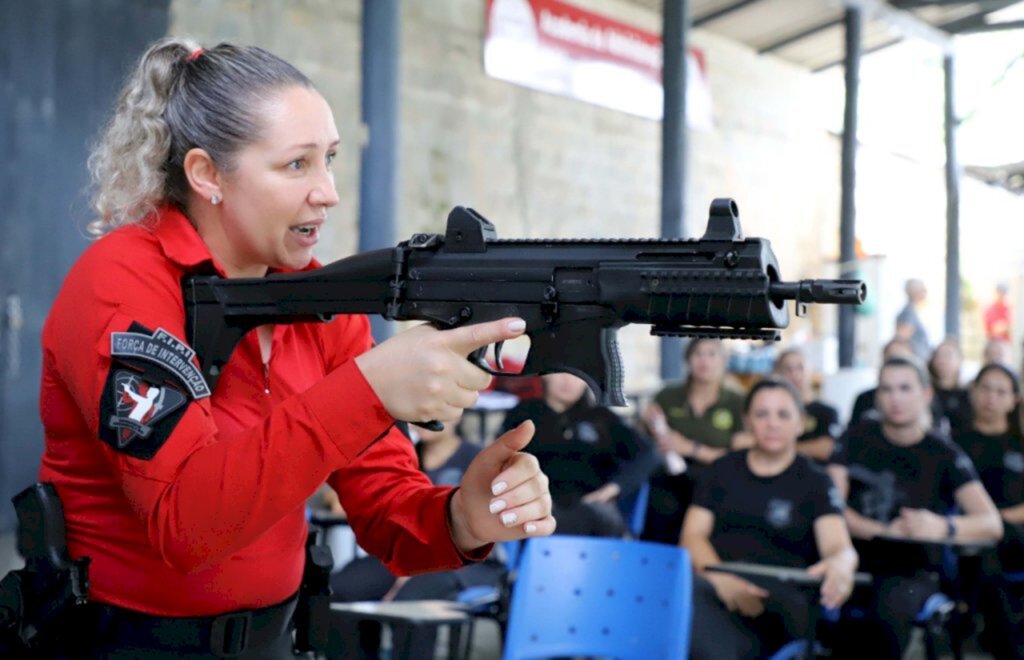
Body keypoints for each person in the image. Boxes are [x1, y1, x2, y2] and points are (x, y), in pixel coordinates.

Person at [34, 38, 554, 658]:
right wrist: (365, 389)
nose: (328, 191)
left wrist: (462, 518)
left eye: (329, 159)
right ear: (207, 175)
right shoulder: (122, 283)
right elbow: (185, 524)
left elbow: (388, 510)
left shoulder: (320, 302)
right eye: (296, 165)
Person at [827, 357, 1003, 659]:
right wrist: (881, 530)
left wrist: (943, 527)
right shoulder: (855, 438)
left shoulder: (943, 451)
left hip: (912, 570)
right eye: (886, 389)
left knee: (886, 614)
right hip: (851, 558)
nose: (895, 398)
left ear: (926, 394)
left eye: (905, 388)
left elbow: (991, 524)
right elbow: (831, 507)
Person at [682, 378, 858, 660]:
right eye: (762, 414)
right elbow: (693, 535)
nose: (772, 423)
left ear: (800, 422)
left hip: (780, 599)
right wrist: (721, 579)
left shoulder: (816, 481)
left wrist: (841, 563)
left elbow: (839, 546)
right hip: (718, 586)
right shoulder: (720, 470)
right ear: (747, 420)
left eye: (783, 414)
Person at [329, 415, 507, 659]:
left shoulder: (475, 458)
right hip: (404, 551)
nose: (425, 417)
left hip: (463, 559)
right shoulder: (402, 454)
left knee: (411, 601)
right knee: (342, 589)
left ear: (458, 412)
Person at [498, 372, 659, 537]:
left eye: (578, 375)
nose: (568, 381)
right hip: (539, 507)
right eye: (561, 372)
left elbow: (649, 455)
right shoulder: (522, 416)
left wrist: (612, 489)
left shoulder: (603, 419)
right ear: (546, 374)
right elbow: (501, 459)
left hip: (592, 507)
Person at [641, 338, 746, 545]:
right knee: (661, 504)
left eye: (712, 354)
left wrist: (690, 448)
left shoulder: (737, 402)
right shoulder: (668, 396)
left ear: (723, 360)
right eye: (698, 354)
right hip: (670, 479)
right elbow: (644, 436)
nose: (704, 361)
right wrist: (647, 424)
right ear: (688, 359)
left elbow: (740, 458)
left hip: (718, 478)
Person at [954, 364, 1024, 657]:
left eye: (1001, 391)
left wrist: (994, 521)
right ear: (973, 392)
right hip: (964, 535)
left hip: (1013, 533)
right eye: (985, 389)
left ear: (1013, 400)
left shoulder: (1019, 444)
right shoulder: (952, 444)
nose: (991, 398)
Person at [772, 347, 841, 463]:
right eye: (787, 369)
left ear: (811, 370)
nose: (794, 374)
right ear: (778, 373)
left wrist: (777, 449)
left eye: (800, 367)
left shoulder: (827, 411)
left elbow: (825, 449)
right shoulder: (771, 411)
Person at [927, 338, 971, 435]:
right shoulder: (925, 393)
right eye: (938, 356)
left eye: (948, 356)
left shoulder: (970, 394)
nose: (942, 361)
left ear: (960, 360)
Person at [895, 278, 931, 361]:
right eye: (923, 290)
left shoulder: (913, 311)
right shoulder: (909, 313)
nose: (925, 293)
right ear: (916, 292)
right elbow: (901, 339)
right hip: (915, 360)